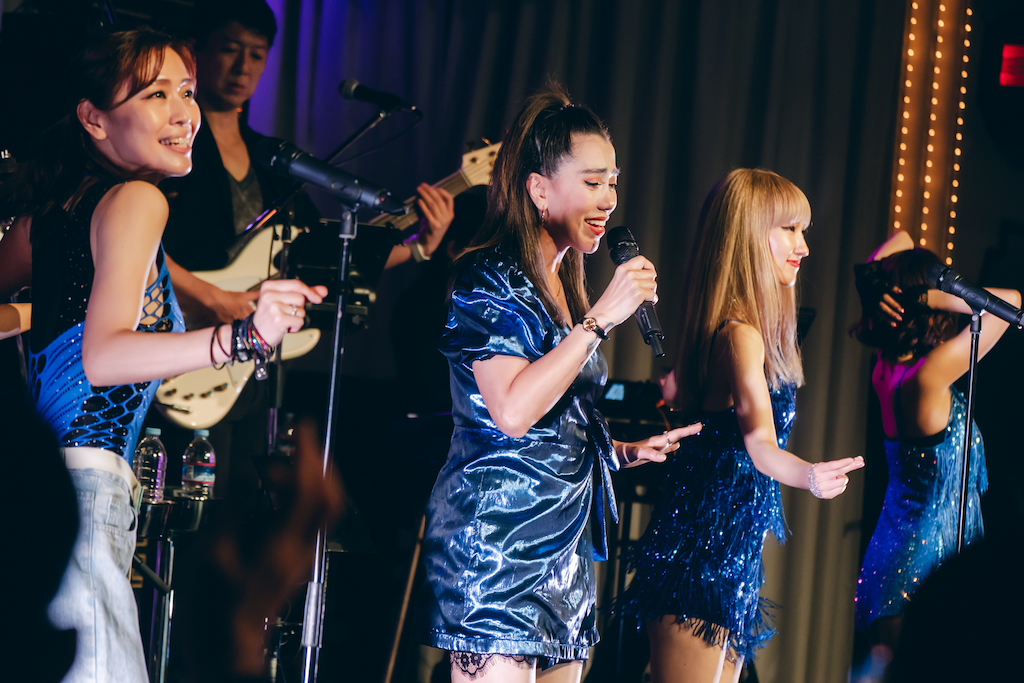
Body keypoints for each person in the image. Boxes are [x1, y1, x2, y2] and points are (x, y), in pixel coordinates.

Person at [0, 28, 325, 682]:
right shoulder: (137, 200)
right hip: (85, 494)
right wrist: (243, 339)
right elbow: (103, 357)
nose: (184, 114)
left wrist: (35, 321)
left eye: (187, 92)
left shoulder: (49, 217)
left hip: (38, 497)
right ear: (93, 118)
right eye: (155, 95)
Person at [420, 83, 702, 683]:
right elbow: (512, 413)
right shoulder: (489, 277)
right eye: (593, 182)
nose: (609, 199)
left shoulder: (565, 283)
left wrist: (620, 451)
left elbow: (553, 424)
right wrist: (601, 319)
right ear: (539, 189)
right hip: (498, 545)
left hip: (563, 554)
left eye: (613, 182)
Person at [155, 0, 454, 508]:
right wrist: (214, 297)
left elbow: (323, 257)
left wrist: (419, 249)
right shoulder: (172, 151)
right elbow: (141, 250)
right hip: (179, 343)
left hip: (252, 373)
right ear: (196, 53)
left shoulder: (272, 159)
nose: (243, 66)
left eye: (257, 54)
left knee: (238, 514)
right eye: (229, 49)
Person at [616, 168, 865, 683]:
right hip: (699, 559)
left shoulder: (746, 331)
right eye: (789, 230)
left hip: (730, 561)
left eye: (804, 230)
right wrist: (810, 475)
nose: (803, 246)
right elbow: (760, 444)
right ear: (751, 236)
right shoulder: (740, 334)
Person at [850, 231, 1017, 653]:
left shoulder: (886, 368)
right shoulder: (928, 376)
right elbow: (1011, 303)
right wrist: (930, 295)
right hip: (921, 576)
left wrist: (877, 285)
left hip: (896, 566)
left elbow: (901, 238)